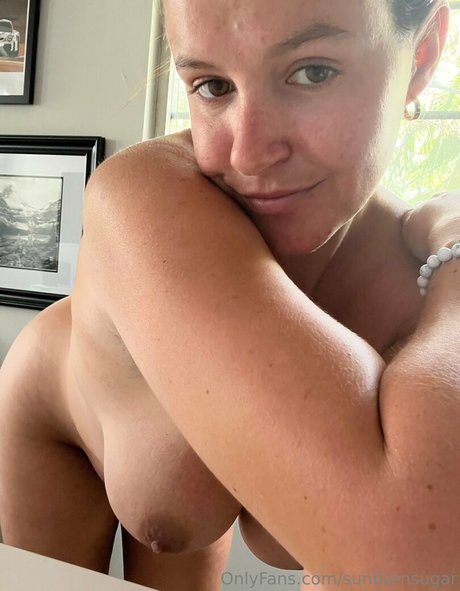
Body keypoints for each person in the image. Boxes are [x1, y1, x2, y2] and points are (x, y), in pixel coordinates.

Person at [0, 0, 459, 589]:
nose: (246, 154)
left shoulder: (417, 283)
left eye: (313, 71)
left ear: (422, 54)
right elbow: (410, 555)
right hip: (61, 430)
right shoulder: (144, 198)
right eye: (212, 86)